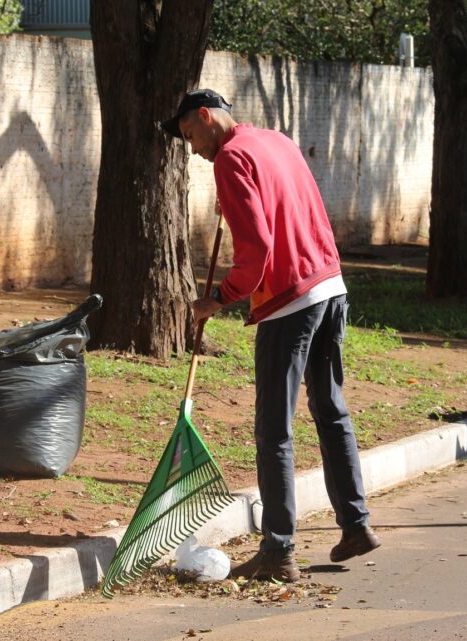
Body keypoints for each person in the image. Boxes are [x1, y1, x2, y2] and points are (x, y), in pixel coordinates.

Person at [162, 89, 380, 581]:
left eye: (191, 136)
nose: (194, 150)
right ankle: (356, 524)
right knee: (330, 408)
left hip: (289, 301)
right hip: (330, 286)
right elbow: (289, 208)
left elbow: (258, 248)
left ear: (205, 116)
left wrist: (219, 296)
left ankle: (278, 550)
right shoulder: (275, 142)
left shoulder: (231, 158)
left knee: (274, 431)